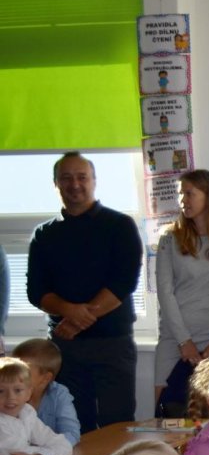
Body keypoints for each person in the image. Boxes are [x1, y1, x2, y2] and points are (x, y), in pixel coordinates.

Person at [26, 151, 141, 432]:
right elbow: (36, 291)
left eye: (82, 177)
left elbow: (124, 282)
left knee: (118, 426)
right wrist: (70, 312)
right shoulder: (44, 234)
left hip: (113, 344)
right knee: (73, 426)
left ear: (94, 181)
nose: (75, 184)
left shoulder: (120, 225)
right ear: (56, 183)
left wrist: (77, 321)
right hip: (65, 348)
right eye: (66, 178)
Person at [154, 169, 209, 410]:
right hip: (175, 341)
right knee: (167, 416)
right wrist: (184, 341)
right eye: (180, 194)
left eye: (189, 193)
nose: (183, 200)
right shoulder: (169, 240)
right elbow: (165, 292)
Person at [0, 357, 72, 455]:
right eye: (1, 391)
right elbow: (15, 453)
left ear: (29, 393)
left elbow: (64, 445)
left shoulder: (26, 412)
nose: (10, 397)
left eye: (18, 390)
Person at [12, 339, 81, 446]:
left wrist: (46, 451)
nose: (15, 376)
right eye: (13, 369)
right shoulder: (6, 392)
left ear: (45, 378)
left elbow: (72, 433)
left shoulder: (59, 394)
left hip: (49, 453)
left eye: (23, 371)